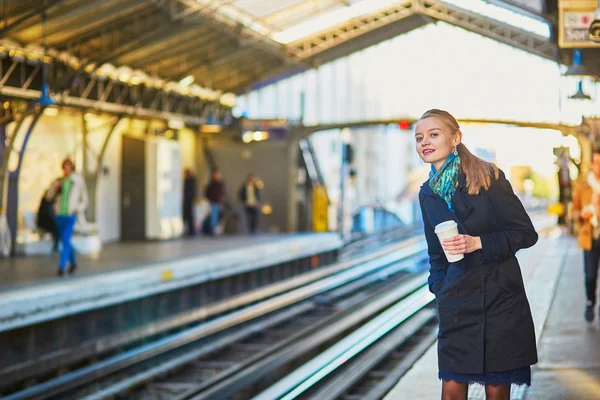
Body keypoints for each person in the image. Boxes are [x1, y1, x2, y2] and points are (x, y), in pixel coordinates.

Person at [416, 109, 538, 399]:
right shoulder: (427, 194)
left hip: (499, 301)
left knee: (497, 394)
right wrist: (440, 287)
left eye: (434, 134)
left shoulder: (488, 176)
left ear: (455, 138)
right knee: (452, 393)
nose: (425, 142)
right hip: (457, 304)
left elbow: (525, 233)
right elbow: (436, 255)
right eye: (419, 138)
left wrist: (478, 243)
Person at [45, 158, 88, 276]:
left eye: (68, 166)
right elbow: (48, 198)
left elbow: (85, 200)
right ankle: (73, 262)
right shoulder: (58, 181)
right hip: (59, 216)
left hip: (70, 216)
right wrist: (55, 188)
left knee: (65, 239)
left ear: (72, 167)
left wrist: (76, 208)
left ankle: (61, 267)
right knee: (66, 241)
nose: (66, 169)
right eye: (65, 167)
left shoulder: (77, 182)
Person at [572, 149, 600, 323]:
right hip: (589, 237)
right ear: (591, 164)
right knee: (590, 275)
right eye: (596, 162)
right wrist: (582, 215)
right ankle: (590, 303)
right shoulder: (583, 186)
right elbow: (573, 210)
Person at [204, 170, 226, 236]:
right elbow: (207, 192)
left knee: (219, 216)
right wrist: (210, 199)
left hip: (220, 203)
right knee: (214, 216)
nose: (218, 176)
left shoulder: (221, 184)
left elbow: (223, 193)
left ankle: (216, 229)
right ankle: (213, 230)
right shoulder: (211, 184)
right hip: (213, 202)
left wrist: (222, 200)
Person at [183, 168, 197, 237]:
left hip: (188, 201)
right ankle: (190, 231)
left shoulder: (188, 181)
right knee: (189, 216)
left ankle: (191, 231)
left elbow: (188, 192)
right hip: (189, 200)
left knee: (189, 216)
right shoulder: (191, 181)